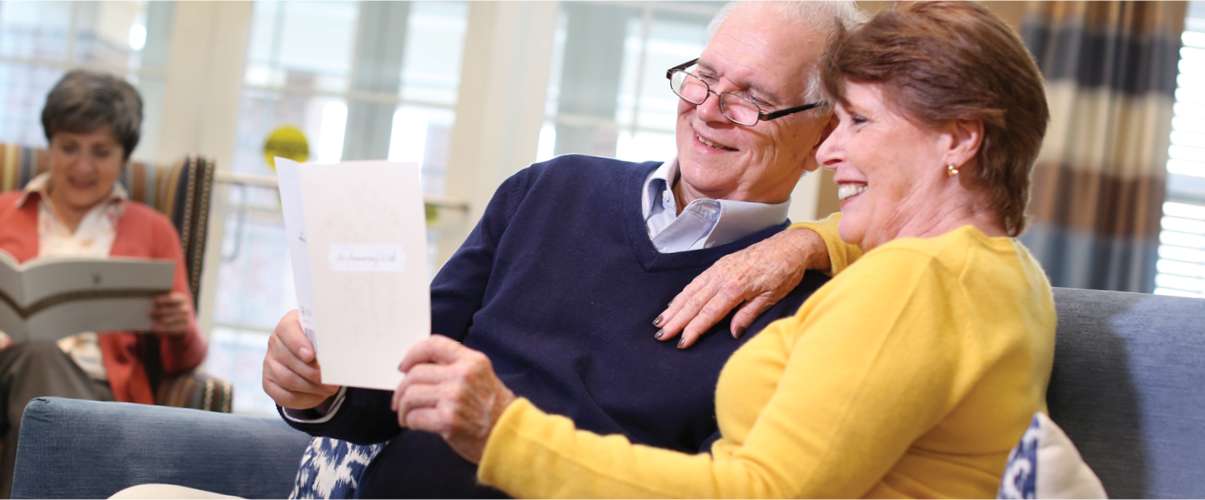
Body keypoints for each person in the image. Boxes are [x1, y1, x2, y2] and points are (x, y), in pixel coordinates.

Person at [393, 0, 1056, 498]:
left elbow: (758, 493)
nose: (830, 150)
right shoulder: (1007, 276)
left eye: (857, 122)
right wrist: (808, 239)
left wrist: (505, 431)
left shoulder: (917, 283)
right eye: (704, 79)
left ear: (959, 141)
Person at [262, 1, 868, 498]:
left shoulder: (805, 311)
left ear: (823, 136)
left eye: (752, 98)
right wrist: (319, 388)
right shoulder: (551, 188)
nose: (709, 111)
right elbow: (394, 386)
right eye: (704, 78)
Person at [0, 70, 207, 498]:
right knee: (42, 361)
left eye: (101, 151)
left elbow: (182, 361)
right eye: (68, 147)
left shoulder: (153, 231)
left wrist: (179, 327)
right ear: (49, 147)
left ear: (124, 158)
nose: (82, 166)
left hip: (99, 392)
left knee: (53, 411)